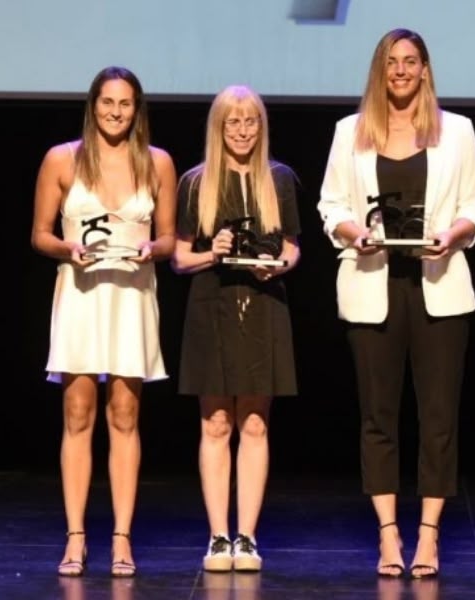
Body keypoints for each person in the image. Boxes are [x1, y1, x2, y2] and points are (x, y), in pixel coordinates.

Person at [317, 28, 475, 579]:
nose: (400, 70)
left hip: (439, 285)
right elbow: (331, 205)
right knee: (378, 415)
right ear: (380, 69)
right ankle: (388, 533)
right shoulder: (349, 132)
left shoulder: (457, 131)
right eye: (391, 62)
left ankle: (429, 535)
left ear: (425, 69)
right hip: (372, 284)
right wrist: (355, 233)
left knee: (438, 417)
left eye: (410, 61)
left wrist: (454, 235)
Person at [31, 65, 177, 578]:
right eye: (108, 102)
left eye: (126, 103)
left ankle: (121, 538)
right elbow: (40, 234)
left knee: (125, 414)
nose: (116, 112)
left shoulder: (157, 162)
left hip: (131, 294)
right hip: (81, 293)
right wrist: (67, 248)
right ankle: (76, 537)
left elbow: (169, 239)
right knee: (77, 412)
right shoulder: (62, 158)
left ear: (138, 109)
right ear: (93, 104)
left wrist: (151, 249)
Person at [172, 85, 301, 573]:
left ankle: (246, 536)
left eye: (251, 122)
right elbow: (179, 257)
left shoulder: (279, 179)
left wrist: (280, 265)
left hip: (264, 304)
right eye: (233, 123)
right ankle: (217, 536)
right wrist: (213, 253)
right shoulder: (196, 183)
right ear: (219, 127)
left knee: (254, 421)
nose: (243, 131)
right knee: (216, 422)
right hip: (212, 306)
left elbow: (293, 246)